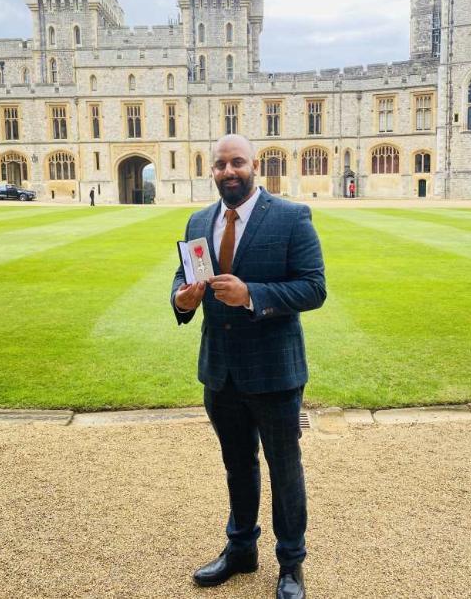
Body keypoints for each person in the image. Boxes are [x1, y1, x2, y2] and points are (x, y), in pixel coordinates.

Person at [171, 134, 326, 599]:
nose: (228, 171)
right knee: (237, 465)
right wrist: (181, 298)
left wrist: (252, 295)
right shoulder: (200, 219)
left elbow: (313, 288)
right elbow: (184, 275)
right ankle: (241, 549)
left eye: (237, 162)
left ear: (254, 165)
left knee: (284, 468)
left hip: (275, 371)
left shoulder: (291, 217)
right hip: (220, 369)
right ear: (212, 170)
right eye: (220, 164)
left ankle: (291, 564)